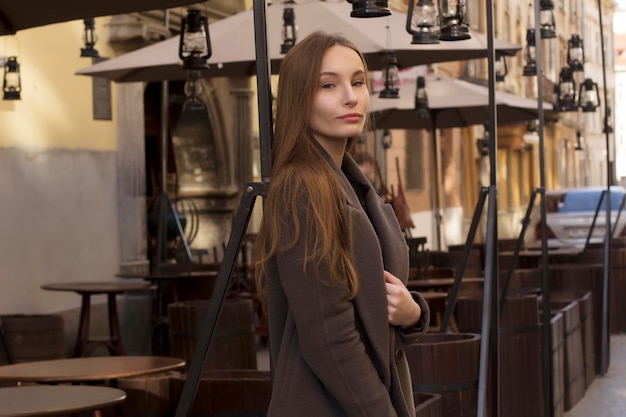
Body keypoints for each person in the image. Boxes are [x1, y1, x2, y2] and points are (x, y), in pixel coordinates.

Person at [253, 31, 430, 417]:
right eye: (328, 85)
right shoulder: (302, 188)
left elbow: (373, 296)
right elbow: (330, 339)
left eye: (358, 82)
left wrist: (414, 313)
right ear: (301, 99)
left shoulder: (351, 183)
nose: (350, 96)